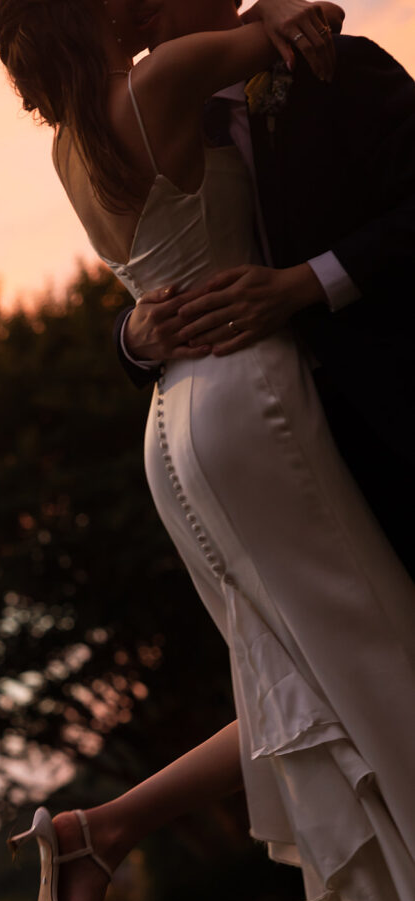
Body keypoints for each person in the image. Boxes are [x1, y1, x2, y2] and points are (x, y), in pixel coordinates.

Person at [0, 0, 415, 901]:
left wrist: (137, 335)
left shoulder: (70, 146)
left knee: (300, 673)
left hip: (174, 428)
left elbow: (148, 290)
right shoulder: (165, 76)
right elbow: (294, 21)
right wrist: (270, 17)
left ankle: (108, 828)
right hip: (246, 399)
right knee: (369, 656)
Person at [114, 0, 415, 581]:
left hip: (392, 411)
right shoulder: (148, 131)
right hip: (273, 465)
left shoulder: (340, 70)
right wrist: (132, 337)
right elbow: (153, 269)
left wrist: (306, 283)